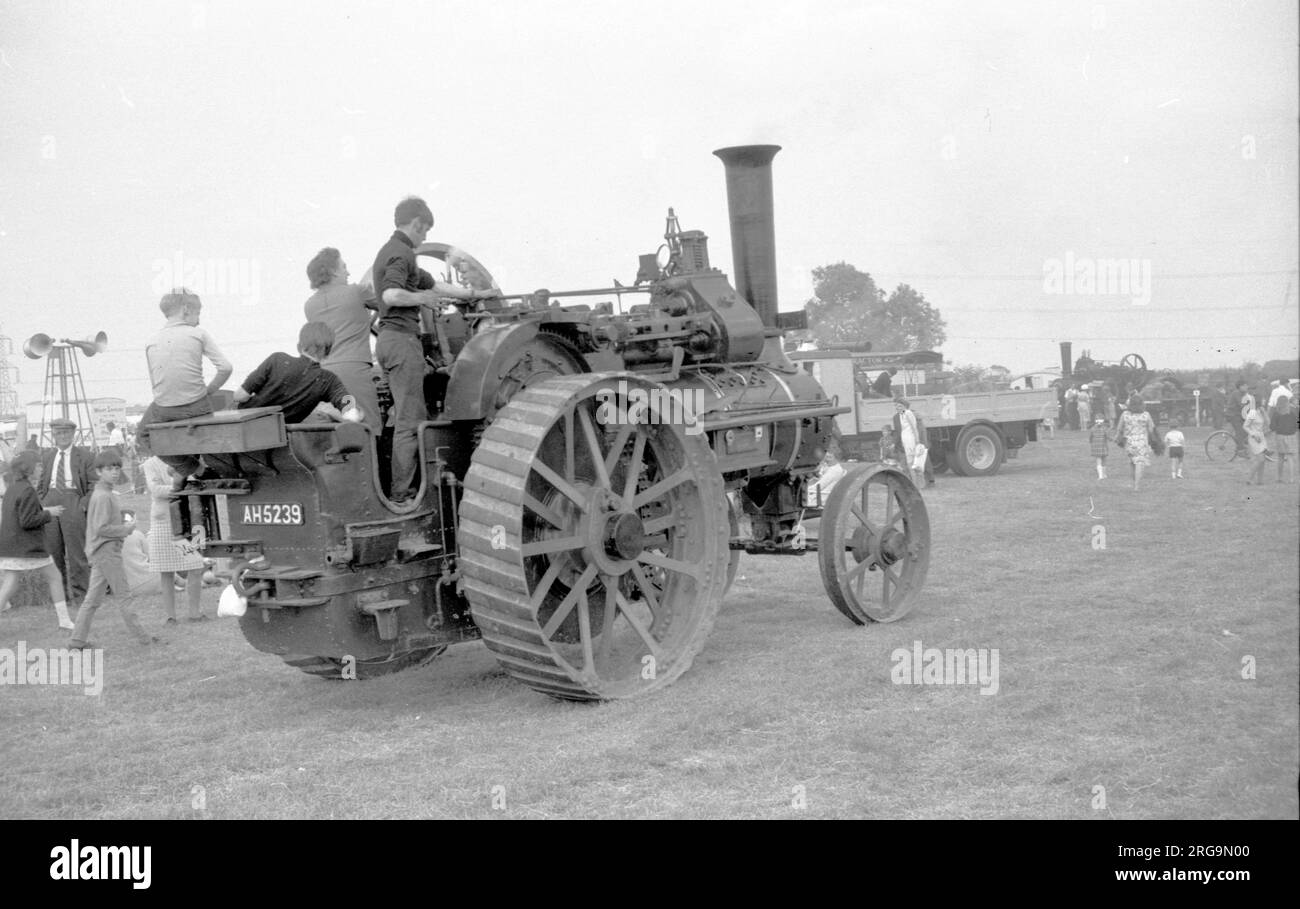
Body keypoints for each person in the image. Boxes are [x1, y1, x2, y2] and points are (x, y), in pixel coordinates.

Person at [372, 196, 492, 502]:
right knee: (410, 422)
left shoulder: (396, 253)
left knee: (405, 417)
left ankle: (403, 489)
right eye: (424, 231)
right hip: (401, 341)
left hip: (390, 342)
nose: (425, 237)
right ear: (416, 224)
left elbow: (434, 286)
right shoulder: (400, 254)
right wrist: (421, 300)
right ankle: (403, 494)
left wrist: (473, 294)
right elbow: (391, 295)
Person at [136, 288, 233, 482]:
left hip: (165, 409)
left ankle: (193, 469)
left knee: (143, 436)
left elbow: (157, 382)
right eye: (198, 313)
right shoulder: (198, 334)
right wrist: (209, 390)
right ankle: (213, 467)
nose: (198, 320)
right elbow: (225, 367)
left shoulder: (151, 341)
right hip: (197, 405)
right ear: (186, 309)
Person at [68, 450, 159, 650]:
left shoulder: (104, 493)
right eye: (109, 469)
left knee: (92, 600)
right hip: (108, 552)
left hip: (102, 552)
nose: (115, 472)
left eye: (117, 468)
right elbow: (101, 528)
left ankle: (76, 642)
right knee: (124, 597)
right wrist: (126, 529)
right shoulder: (103, 496)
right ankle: (144, 638)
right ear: (99, 471)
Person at [304, 247, 383, 434]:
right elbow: (388, 303)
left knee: (341, 429)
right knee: (368, 428)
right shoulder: (356, 292)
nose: (348, 272)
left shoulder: (310, 305)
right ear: (333, 271)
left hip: (325, 375)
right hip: (354, 372)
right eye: (344, 267)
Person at [233, 322, 362, 423]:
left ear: (299, 345)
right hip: (280, 437)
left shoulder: (277, 360)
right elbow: (350, 411)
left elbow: (239, 396)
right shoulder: (328, 380)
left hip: (244, 429)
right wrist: (352, 411)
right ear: (328, 352)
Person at [0, 451, 72, 627]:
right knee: (55, 577)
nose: (41, 467)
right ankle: (64, 621)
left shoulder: (13, 488)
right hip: (28, 547)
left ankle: (65, 621)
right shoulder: (28, 490)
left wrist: (45, 509)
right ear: (29, 469)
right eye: (38, 465)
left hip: (10, 545)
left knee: (10, 584)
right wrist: (49, 513)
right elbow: (27, 521)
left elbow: (21, 514)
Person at [141, 451, 205, 622]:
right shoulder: (150, 464)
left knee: (196, 565)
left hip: (190, 519)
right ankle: (170, 616)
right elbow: (155, 490)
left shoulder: (188, 460)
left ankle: (194, 613)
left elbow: (200, 482)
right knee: (166, 571)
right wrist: (183, 489)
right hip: (165, 521)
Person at [37, 417, 93, 605]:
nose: (62, 437)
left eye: (66, 433)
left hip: (73, 500)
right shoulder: (48, 456)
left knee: (76, 552)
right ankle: (60, 597)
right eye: (59, 433)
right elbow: (41, 484)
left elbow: (93, 484)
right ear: (53, 435)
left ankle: (82, 595)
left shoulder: (84, 455)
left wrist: (82, 504)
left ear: (73, 434)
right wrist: (42, 503)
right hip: (51, 502)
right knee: (54, 551)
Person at [1116, 395, 1156, 491]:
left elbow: (1119, 428)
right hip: (1142, 442)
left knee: (1132, 462)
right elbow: (1151, 429)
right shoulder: (1146, 415)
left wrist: (1117, 436)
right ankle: (1137, 486)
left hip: (1129, 442)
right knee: (1139, 463)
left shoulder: (1125, 414)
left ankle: (1134, 482)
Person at [892, 399, 925, 486]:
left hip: (911, 440)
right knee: (910, 463)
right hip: (906, 440)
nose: (897, 408)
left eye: (900, 406)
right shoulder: (901, 415)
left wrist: (917, 440)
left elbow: (914, 427)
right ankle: (915, 483)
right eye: (896, 406)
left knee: (915, 462)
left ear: (904, 406)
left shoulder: (908, 413)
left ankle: (920, 483)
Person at [1269, 394, 1296, 483]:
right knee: (1290, 458)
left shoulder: (1276, 413)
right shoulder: (1292, 412)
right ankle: (1291, 479)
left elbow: (1272, 427)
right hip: (1291, 436)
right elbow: (1296, 425)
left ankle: (1279, 478)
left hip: (1280, 436)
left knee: (1280, 457)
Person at [1242, 403, 1269, 486]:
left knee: (1263, 460)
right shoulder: (1252, 413)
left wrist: (1264, 413)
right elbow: (1245, 426)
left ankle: (1260, 480)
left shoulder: (1262, 411)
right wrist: (1253, 434)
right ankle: (1249, 479)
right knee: (1260, 459)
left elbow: (1268, 423)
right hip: (1254, 438)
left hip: (1261, 437)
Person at [1089, 415, 1110, 480]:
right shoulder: (1105, 428)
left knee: (1098, 460)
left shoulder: (1092, 428)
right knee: (1104, 460)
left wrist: (1091, 442)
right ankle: (1104, 474)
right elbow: (1107, 437)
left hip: (1096, 447)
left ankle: (1100, 476)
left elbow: (1090, 438)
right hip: (1103, 446)